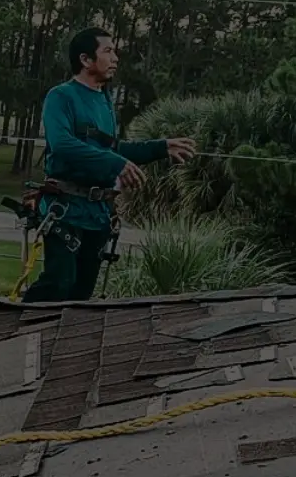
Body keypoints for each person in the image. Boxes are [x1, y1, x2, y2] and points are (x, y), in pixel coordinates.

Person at [27, 27, 196, 302]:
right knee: (58, 285)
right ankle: (13, 333)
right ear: (85, 59)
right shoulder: (61, 97)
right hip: (65, 210)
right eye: (108, 51)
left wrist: (161, 147)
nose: (115, 57)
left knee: (81, 295)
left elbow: (112, 149)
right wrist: (114, 162)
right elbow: (63, 145)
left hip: (98, 215)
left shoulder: (105, 101)